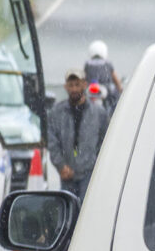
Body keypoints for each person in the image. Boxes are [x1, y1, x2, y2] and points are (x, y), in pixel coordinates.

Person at [44, 70, 108, 202]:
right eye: (71, 85)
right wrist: (61, 165)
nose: (74, 89)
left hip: (89, 174)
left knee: (87, 211)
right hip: (67, 175)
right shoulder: (57, 112)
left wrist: (95, 164)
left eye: (77, 84)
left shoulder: (99, 114)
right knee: (69, 212)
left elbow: (104, 143)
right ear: (65, 87)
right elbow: (51, 141)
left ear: (84, 85)